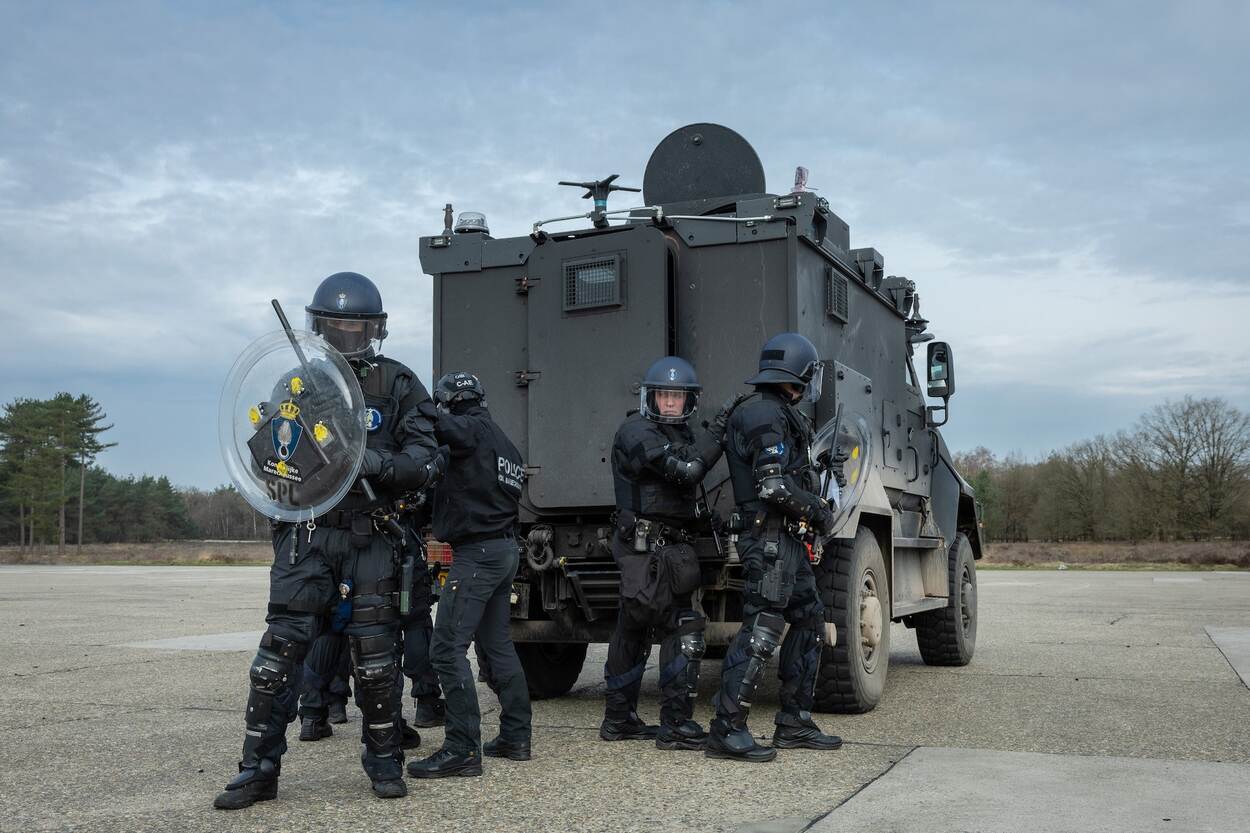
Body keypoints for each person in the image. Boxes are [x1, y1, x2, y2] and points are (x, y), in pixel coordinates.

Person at [214, 272, 448, 808]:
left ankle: (385, 762)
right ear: (317, 327)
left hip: (372, 536)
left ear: (375, 330)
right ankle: (257, 769)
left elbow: (428, 460)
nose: (345, 336)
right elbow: (273, 457)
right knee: (278, 656)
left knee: (377, 658)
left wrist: (375, 462)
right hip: (309, 535)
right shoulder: (297, 383)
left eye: (355, 327)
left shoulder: (399, 383)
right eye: (335, 326)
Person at [706, 332, 843, 762]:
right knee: (762, 628)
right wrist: (818, 509)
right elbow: (772, 486)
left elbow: (790, 476)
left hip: (786, 539)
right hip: (768, 538)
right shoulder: (763, 413)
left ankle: (794, 721)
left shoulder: (779, 412)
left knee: (809, 619)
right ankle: (727, 728)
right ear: (799, 374)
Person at [600, 356, 736, 750]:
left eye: (677, 396)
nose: (670, 402)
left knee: (634, 627)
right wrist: (719, 433)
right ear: (651, 397)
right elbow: (687, 471)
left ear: (688, 400)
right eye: (664, 395)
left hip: (666, 548)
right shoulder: (636, 431)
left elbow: (681, 483)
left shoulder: (681, 434)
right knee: (679, 626)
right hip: (646, 549)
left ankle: (620, 720)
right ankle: (673, 724)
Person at [407, 372, 532, 779]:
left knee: (446, 649)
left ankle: (462, 748)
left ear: (450, 404)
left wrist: (414, 409)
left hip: (477, 555)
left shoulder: (471, 429)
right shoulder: (505, 445)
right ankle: (516, 736)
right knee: (497, 646)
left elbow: (444, 428)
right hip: (504, 550)